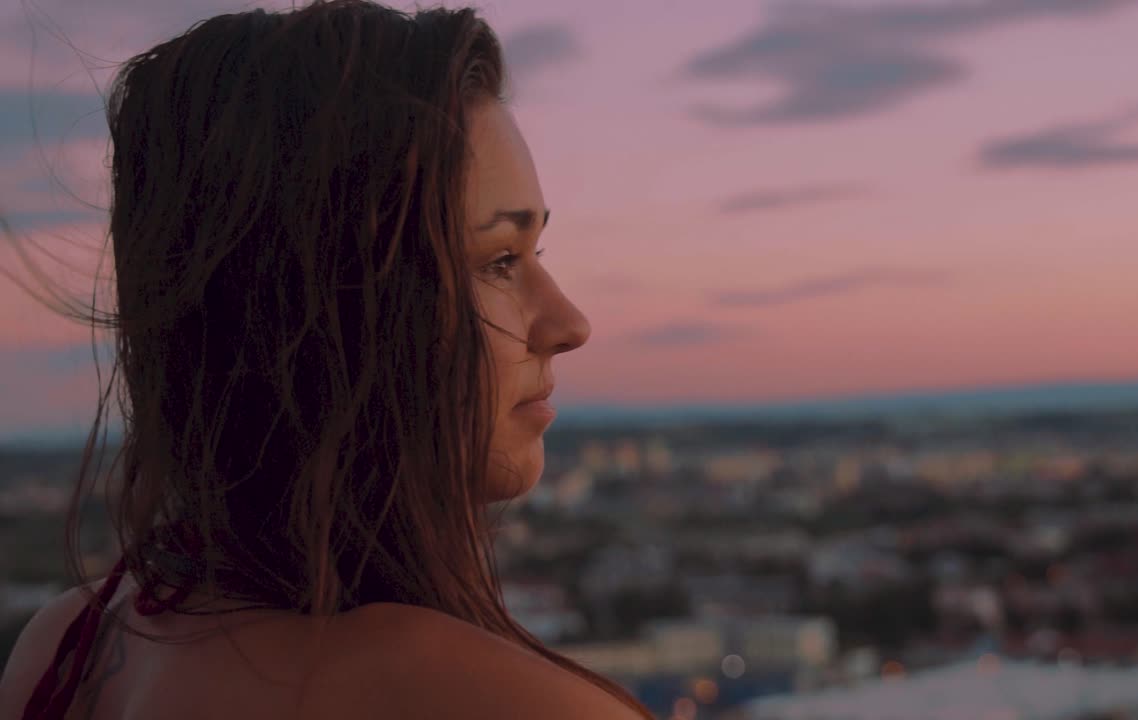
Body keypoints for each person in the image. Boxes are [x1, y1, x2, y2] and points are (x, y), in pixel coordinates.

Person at [0, 2, 655, 718]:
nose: (570, 323)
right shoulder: (511, 704)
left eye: (536, 254)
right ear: (329, 300)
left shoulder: (65, 649)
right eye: (499, 259)